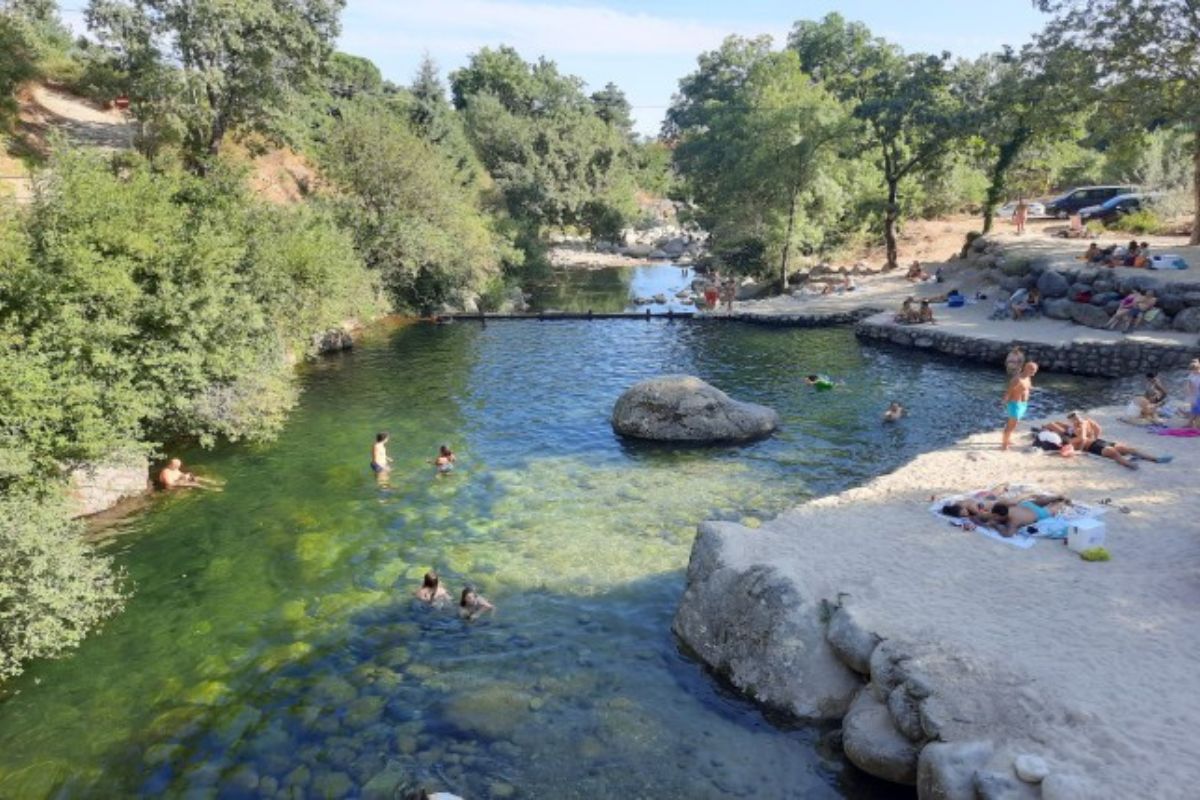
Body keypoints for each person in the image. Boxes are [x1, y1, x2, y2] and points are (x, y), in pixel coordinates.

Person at [1067, 411, 1172, 470]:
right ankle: (1130, 464)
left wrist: (1082, 448)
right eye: (1075, 418)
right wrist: (1093, 438)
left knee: (1128, 449)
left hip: (1096, 442)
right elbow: (1097, 430)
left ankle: (1155, 459)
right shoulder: (1084, 423)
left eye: (1075, 418)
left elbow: (1089, 435)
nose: (1076, 420)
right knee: (1114, 452)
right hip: (1093, 445)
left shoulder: (1080, 426)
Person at [1001, 362, 1038, 451]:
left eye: (1035, 369)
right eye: (1032, 369)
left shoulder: (1028, 378)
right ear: (1026, 368)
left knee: (1015, 423)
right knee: (1011, 425)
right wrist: (1005, 402)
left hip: (1023, 404)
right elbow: (1009, 391)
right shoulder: (1017, 379)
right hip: (1015, 404)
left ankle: (1008, 439)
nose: (1034, 371)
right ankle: (1004, 445)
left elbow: (1027, 388)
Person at [1186, 359, 1200, 428]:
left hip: (1198, 395)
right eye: (1192, 369)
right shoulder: (1191, 374)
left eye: (1195, 369)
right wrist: (1189, 391)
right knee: (1193, 409)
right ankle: (1190, 423)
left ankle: (1196, 424)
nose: (1194, 371)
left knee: (1198, 410)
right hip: (1194, 394)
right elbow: (1188, 384)